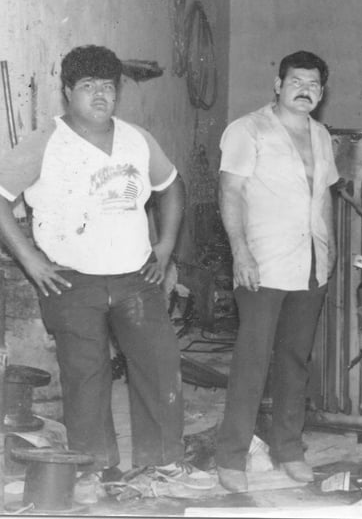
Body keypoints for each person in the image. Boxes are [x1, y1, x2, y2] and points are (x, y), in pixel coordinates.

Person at [0, 45, 208, 497]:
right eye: (88, 86)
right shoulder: (45, 142)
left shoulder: (137, 138)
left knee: (158, 364)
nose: (100, 95)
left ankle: (165, 462)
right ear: (67, 92)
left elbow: (172, 188)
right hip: (71, 280)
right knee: (86, 374)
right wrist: (30, 259)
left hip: (136, 277)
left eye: (108, 87)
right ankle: (95, 469)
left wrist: (166, 247)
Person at [215, 51, 338, 493]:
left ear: (321, 93)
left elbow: (322, 196)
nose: (305, 89)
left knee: (294, 361)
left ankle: (288, 447)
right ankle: (231, 455)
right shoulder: (248, 130)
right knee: (252, 361)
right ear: (277, 83)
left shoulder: (322, 135)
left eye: (314, 85)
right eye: (296, 81)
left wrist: (330, 247)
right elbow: (230, 192)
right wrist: (240, 252)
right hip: (263, 262)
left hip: (310, 264)